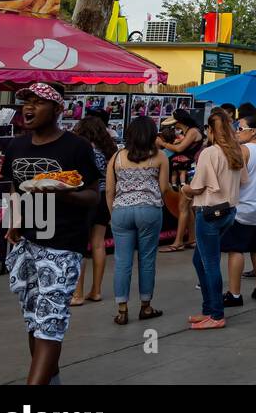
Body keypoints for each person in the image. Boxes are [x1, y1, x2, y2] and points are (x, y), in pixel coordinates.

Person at [3, 83, 101, 385]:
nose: (28, 108)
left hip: (62, 246)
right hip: (26, 243)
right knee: (34, 320)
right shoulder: (17, 146)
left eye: (38, 102)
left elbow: (93, 196)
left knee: (50, 321)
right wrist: (14, 221)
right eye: (26, 102)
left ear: (58, 109)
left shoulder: (76, 147)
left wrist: (63, 193)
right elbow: (15, 188)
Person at [179, 111, 247, 330]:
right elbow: (244, 180)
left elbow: (197, 186)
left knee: (208, 263)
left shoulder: (210, 152)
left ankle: (216, 314)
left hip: (209, 212)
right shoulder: (236, 151)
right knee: (201, 260)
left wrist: (184, 189)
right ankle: (209, 309)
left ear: (209, 130)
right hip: (228, 210)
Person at [106, 116, 169, 325]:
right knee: (147, 259)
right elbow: (163, 189)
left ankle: (122, 309)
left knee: (122, 261)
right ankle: (146, 306)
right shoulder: (160, 157)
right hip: (149, 210)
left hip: (121, 211)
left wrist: (112, 212)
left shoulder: (116, 157)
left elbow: (109, 190)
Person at [224, 116, 256, 308]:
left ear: (253, 131)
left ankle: (235, 293)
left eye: (240, 128)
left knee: (236, 249)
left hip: (244, 206)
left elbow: (236, 178)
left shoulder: (244, 150)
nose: (237, 132)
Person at [70, 115, 116, 306]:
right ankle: (96, 290)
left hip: (86, 197)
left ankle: (77, 294)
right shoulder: (109, 151)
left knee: (80, 247)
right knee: (98, 244)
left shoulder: (84, 150)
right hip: (105, 199)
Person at [160, 109, 203, 252]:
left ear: (180, 121)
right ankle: (192, 239)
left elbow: (179, 148)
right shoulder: (190, 131)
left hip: (190, 172)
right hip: (187, 172)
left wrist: (163, 143)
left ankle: (178, 242)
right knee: (188, 207)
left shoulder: (192, 132)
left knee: (183, 207)